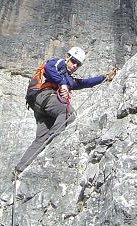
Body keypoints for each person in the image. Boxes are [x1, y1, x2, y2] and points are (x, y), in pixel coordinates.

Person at [13, 46, 117, 176]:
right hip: (42, 95)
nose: (74, 66)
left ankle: (20, 169)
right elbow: (48, 68)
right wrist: (61, 83)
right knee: (69, 114)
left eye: (78, 64)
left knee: (41, 139)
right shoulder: (58, 63)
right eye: (73, 61)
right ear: (67, 57)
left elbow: (84, 82)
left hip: (39, 106)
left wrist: (104, 77)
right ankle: (54, 142)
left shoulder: (68, 78)